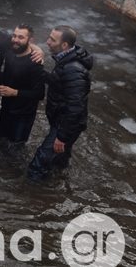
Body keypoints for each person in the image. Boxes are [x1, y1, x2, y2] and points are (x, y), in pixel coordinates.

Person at [28, 26, 93, 180]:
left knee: (39, 162)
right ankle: (59, 179)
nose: (48, 42)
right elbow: (58, 82)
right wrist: (39, 69)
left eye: (52, 39)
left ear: (64, 45)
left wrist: (62, 137)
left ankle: (33, 195)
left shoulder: (73, 69)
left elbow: (76, 107)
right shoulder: (67, 60)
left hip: (65, 124)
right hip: (62, 120)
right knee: (59, 158)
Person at [0, 25, 45, 149]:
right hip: (6, 109)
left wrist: (15, 92)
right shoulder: (10, 53)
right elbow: (9, 77)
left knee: (16, 149)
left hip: (23, 116)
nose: (16, 40)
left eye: (21, 37)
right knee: (0, 141)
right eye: (14, 36)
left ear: (30, 40)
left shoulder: (35, 63)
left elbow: (40, 94)